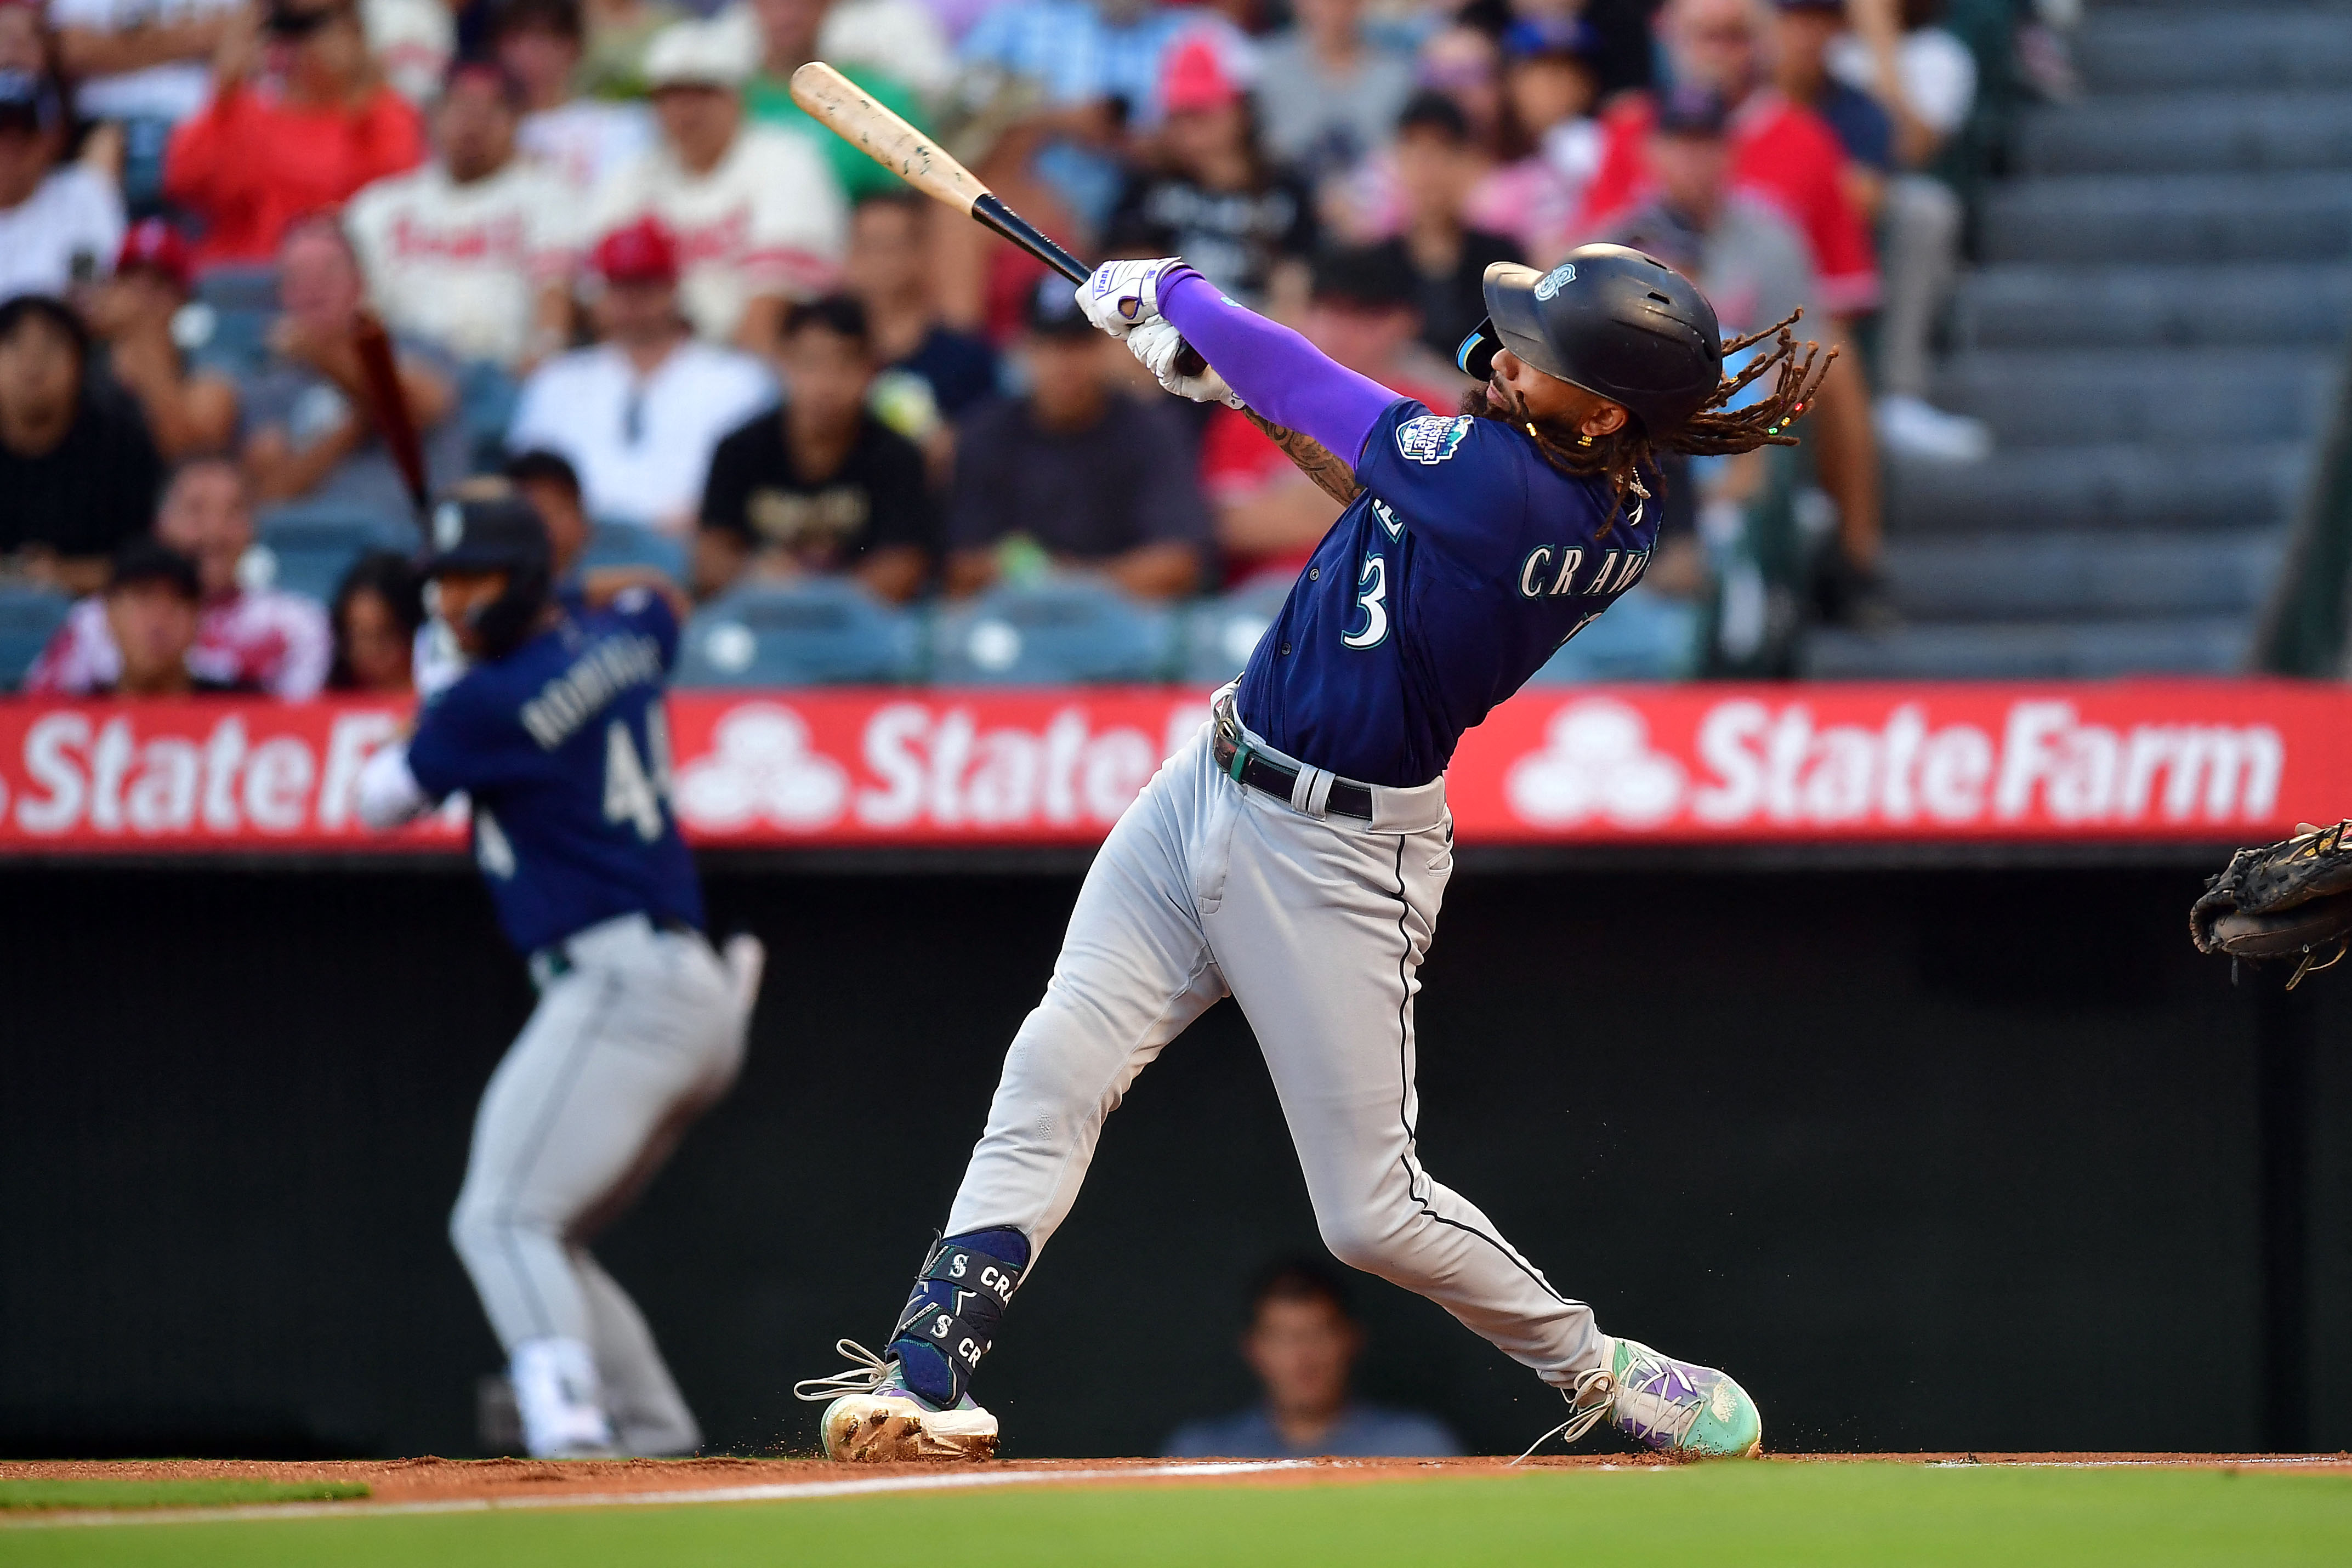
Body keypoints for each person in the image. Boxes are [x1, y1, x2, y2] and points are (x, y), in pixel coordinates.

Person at [796, 243, 1832, 1463]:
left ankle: (1600, 1366)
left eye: (1535, 355)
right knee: (1059, 1054)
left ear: (1600, 411)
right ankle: (929, 1365)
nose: (1503, 356)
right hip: (1213, 776)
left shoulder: (1526, 492)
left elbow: (1322, 393)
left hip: (1338, 857)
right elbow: (1377, 487)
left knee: (1370, 1214)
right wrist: (1220, 385)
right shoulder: (1576, 472)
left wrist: (1179, 298)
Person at [355, 494, 765, 1459]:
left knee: (500, 1219)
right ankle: (657, 1442)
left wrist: (442, 684)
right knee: (548, 1235)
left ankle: (570, 1430)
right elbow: (665, 596)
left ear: (525, 582)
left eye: (475, 583)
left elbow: (380, 799)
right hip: (693, 993)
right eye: (444, 587)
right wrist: (489, 644)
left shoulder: (481, 701)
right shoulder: (618, 631)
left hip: (621, 986)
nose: (455, 604)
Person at [1577, 0, 1884, 620]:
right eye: (1679, 143)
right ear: (1651, 153)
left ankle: (1851, 566)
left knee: (1821, 370)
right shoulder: (1615, 241)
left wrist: (1761, 439)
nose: (1694, 158)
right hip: (1635, 426)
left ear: (1730, 151)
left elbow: (1802, 363)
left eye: (1706, 143)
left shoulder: (1772, 236)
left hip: (1749, 417)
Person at [586, 14, 847, 354]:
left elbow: (770, 310)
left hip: (758, 364)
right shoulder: (629, 177)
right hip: (654, 362)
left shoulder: (786, 160)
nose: (686, 112)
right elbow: (604, 303)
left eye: (703, 93)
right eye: (670, 96)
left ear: (736, 97)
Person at [1200, 245, 1456, 587]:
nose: (1339, 329)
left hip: (1389, 596)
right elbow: (1228, 528)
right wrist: (1380, 500)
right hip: (1274, 598)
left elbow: (1448, 532)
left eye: (1363, 315)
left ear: (1404, 322)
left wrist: (1298, 502)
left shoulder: (1434, 412)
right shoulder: (1250, 404)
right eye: (1328, 309)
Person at [942, 276, 1207, 602]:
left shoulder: (1150, 428)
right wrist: (1035, 574)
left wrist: (1072, 582)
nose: (1063, 365)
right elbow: (959, 568)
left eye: (1077, 346)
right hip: (1016, 621)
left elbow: (1179, 563)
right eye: (1048, 346)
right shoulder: (988, 431)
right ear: (1023, 350)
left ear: (1105, 346)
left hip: (1124, 628)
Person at [507, 216, 776, 532]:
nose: (632, 301)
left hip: (690, 547)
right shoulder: (557, 380)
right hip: (579, 549)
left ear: (674, 286)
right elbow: (528, 485)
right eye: (620, 286)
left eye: (646, 284)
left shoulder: (737, 379)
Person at [343, 57, 582, 373]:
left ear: (516, 121)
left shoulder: (548, 195)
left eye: (491, 110)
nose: (473, 124)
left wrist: (545, 358)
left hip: (502, 373)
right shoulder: (380, 205)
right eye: (460, 108)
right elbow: (355, 310)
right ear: (434, 116)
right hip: (406, 371)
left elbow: (554, 295)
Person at [26, 454, 336, 696]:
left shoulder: (299, 626)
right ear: (159, 524)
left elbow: (304, 738)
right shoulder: (93, 623)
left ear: (254, 529)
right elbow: (30, 728)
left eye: (234, 512)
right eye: (195, 510)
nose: (214, 532)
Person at [696, 293, 935, 602]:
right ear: (782, 363)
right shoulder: (738, 449)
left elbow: (904, 568)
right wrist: (753, 574)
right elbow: (709, 559)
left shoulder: (897, 456)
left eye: (843, 364)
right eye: (810, 364)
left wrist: (815, 596)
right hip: (763, 618)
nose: (826, 384)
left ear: (870, 370)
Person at [162, 0, 427, 268]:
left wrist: (361, 91)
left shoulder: (379, 113)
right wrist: (224, 88)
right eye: (285, 28)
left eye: (315, 26)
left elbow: (400, 191)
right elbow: (182, 178)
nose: (299, 43)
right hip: (249, 276)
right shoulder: (245, 111)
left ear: (353, 33)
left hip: (339, 278)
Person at [229, 213, 462, 513]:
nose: (312, 288)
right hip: (310, 545)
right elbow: (270, 498)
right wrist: (359, 421)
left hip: (409, 537)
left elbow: (416, 407)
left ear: (360, 282)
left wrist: (321, 357)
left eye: (327, 273)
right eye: (297, 278)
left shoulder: (414, 348)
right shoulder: (268, 382)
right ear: (281, 294)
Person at [1164, 1260, 1462, 1458]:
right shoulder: (1201, 1454)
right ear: (1254, 1349)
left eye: (1318, 1334)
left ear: (1350, 1340)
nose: (1302, 1358)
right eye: (1283, 1338)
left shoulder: (1416, 1449)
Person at [1109, 36, 1316, 311]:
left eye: (1200, 114)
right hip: (1169, 329)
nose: (1188, 131)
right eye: (1177, 116)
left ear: (1242, 110)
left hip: (1258, 329)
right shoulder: (1149, 185)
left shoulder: (1286, 191)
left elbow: (1302, 279)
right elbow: (1118, 270)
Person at [0, 292, 160, 594]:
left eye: (51, 345)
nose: (33, 361)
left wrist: (63, 575)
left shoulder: (121, 446)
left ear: (81, 364)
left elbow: (149, 567)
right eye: (14, 343)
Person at [1370, 92, 1522, 365]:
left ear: (1469, 162)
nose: (1427, 169)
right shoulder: (1370, 265)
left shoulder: (1504, 263)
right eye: (1415, 152)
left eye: (1442, 152)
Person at [839, 192, 1001, 444]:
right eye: (868, 246)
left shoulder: (965, 359)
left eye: (891, 246)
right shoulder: (828, 352)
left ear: (922, 252)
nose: (879, 262)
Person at [740, 0, 929, 208]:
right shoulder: (726, 105)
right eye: (773, 3)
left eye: (802, 4)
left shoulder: (877, 96)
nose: (787, 15)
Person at [81, 217, 238, 461]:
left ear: (183, 298)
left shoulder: (208, 377)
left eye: (158, 282)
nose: (142, 295)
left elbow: (186, 455)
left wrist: (142, 332)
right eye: (131, 278)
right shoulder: (80, 366)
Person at [495, 0, 656, 196]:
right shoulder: (484, 135)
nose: (525, 55)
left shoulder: (622, 125)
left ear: (574, 47)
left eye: (539, 40)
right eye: (513, 41)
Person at [1250, 0, 1413, 186]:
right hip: (1286, 202)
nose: (1333, 8)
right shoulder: (1266, 69)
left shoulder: (1396, 76)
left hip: (1373, 206)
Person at [0, 68, 126, 299]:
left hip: (58, 330)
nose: (9, 150)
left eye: (21, 136)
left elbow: (87, 286)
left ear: (47, 139)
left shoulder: (83, 194)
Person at [76, 536, 260, 694]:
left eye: (178, 601)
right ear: (110, 613)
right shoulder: (71, 714)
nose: (160, 619)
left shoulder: (246, 709)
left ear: (199, 618)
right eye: (144, 597)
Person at [326, 547, 423, 690]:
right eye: (358, 637)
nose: (369, 651)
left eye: (383, 636)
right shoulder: (326, 696)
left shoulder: (441, 698)